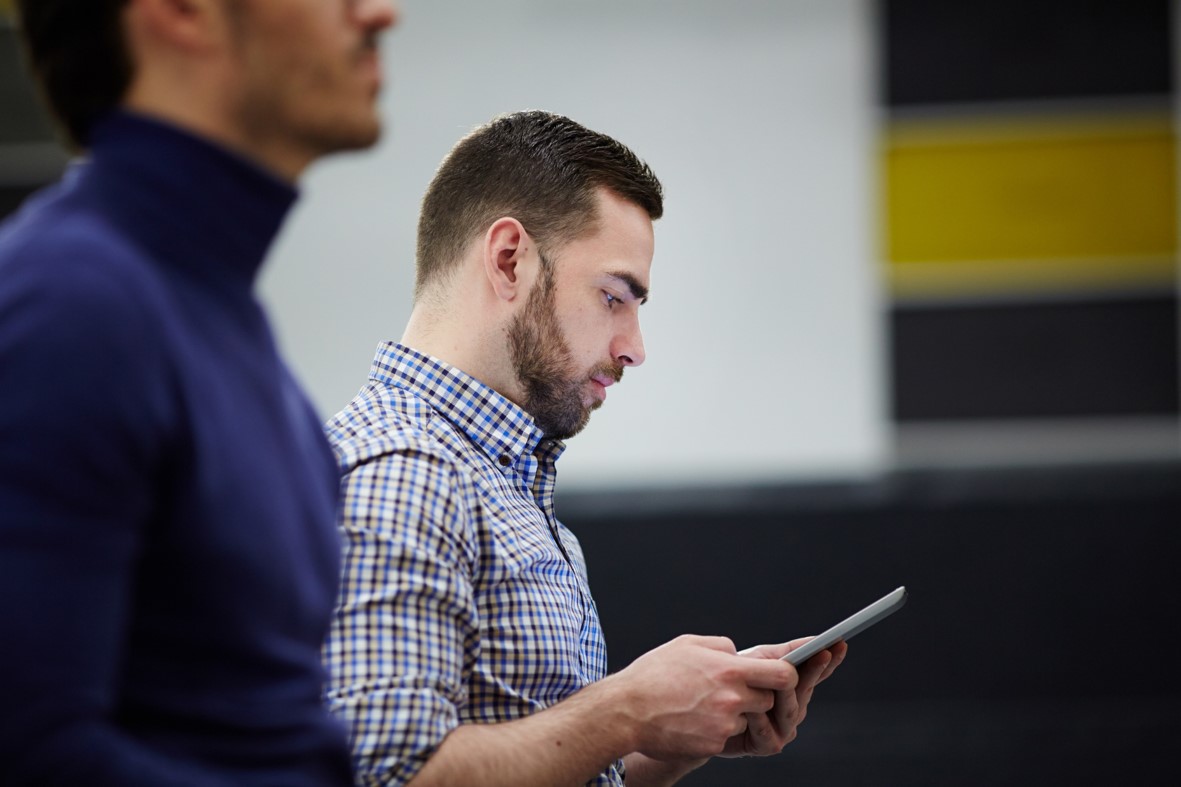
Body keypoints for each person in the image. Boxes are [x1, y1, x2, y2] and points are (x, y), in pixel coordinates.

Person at [323, 110, 848, 787]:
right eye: (612, 296)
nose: (634, 345)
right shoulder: (403, 469)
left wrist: (667, 739)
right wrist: (627, 707)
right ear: (509, 258)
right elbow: (392, 773)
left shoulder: (497, 481)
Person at [0, 1, 398, 784]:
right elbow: (29, 751)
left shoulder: (227, 331)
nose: (380, 12)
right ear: (182, 11)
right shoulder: (72, 305)